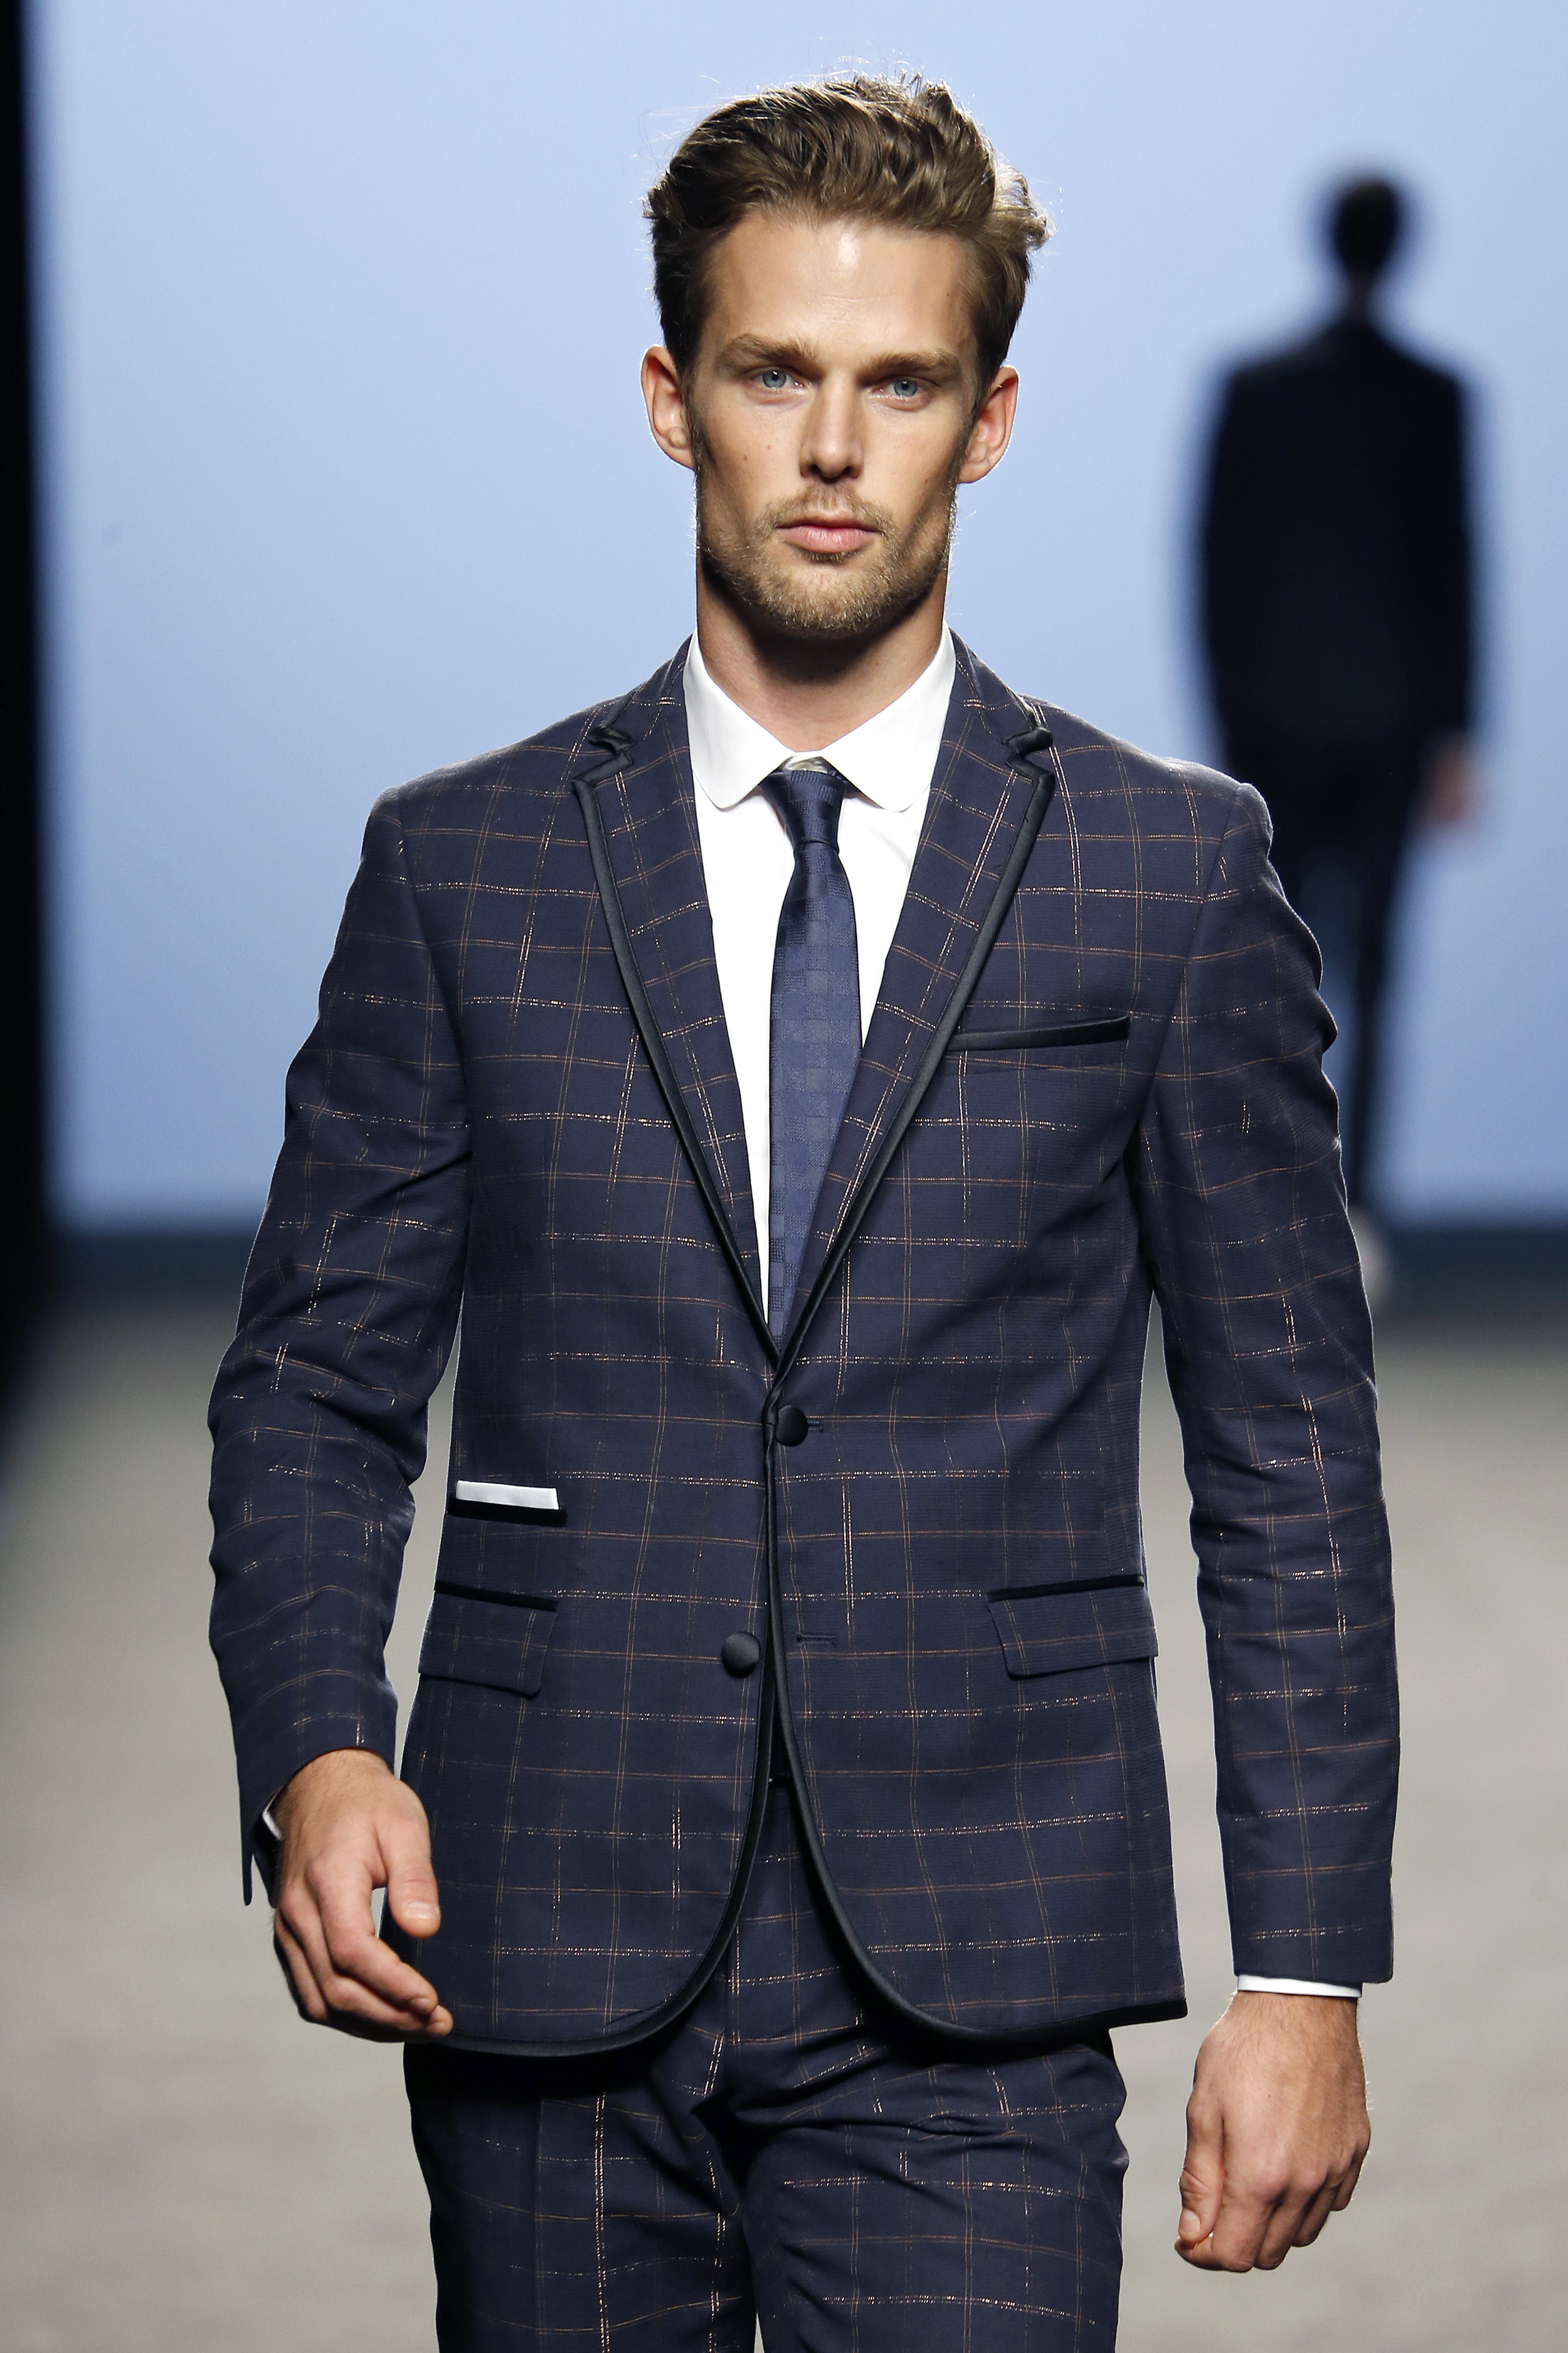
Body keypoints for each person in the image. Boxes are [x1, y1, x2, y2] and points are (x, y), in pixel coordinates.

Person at [208, 76, 1397, 2352]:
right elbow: (313, 1385)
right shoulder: (464, 869)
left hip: (984, 1949)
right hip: (540, 1909)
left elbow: (1290, 1449)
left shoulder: (1167, 875)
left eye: (902, 383)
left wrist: (1306, 1967)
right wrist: (316, 1744)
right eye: (774, 373)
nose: (834, 448)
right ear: (673, 399)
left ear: (989, 420)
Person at [1200, 174, 1476, 1288]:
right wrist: (1455, 732)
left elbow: (1218, 564)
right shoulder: (1433, 395)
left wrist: (1229, 718)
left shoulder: (1257, 389)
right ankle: (1353, 1216)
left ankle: (1281, 1202)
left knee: (1283, 974)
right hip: (1392, 725)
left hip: (1278, 724)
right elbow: (1452, 569)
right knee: (1378, 976)